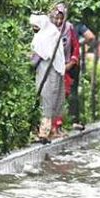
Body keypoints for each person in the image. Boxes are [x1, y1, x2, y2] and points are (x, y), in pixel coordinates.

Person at [30, 14, 66, 143]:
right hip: (43, 70)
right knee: (43, 98)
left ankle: (45, 132)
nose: (34, 29)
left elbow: (41, 55)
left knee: (48, 98)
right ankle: (44, 130)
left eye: (35, 26)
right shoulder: (42, 33)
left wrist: (29, 64)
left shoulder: (50, 34)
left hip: (50, 71)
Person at [50, 3, 80, 133]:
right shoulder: (48, 29)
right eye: (56, 17)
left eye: (61, 18)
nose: (59, 21)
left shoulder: (69, 28)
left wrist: (72, 62)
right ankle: (50, 126)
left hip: (65, 68)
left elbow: (76, 47)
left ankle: (58, 125)